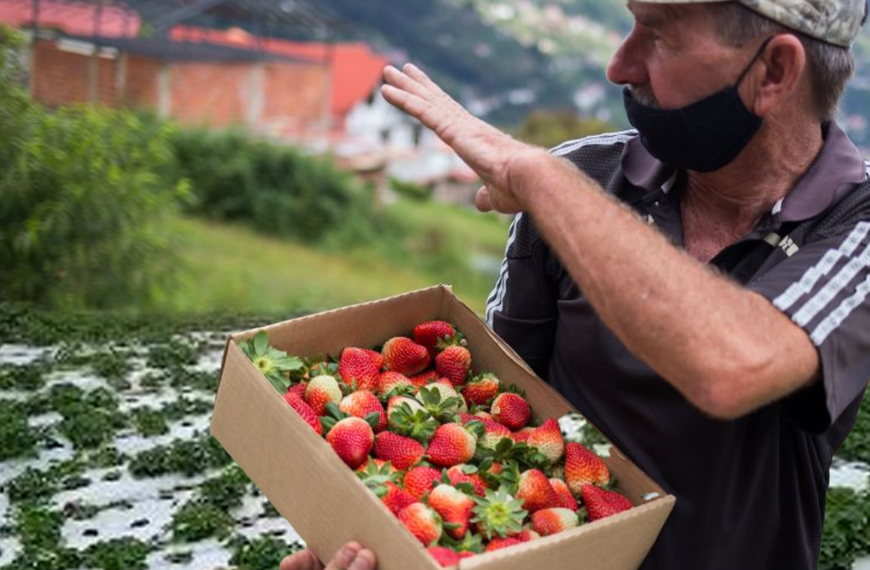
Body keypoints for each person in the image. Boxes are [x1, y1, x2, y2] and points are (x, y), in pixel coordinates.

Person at [282, 0, 870, 568]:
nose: (620, 64)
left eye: (658, 34)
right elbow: (491, 405)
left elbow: (735, 363)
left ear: (775, 70)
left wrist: (539, 178)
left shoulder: (855, 224)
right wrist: (394, 534)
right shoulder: (584, 176)